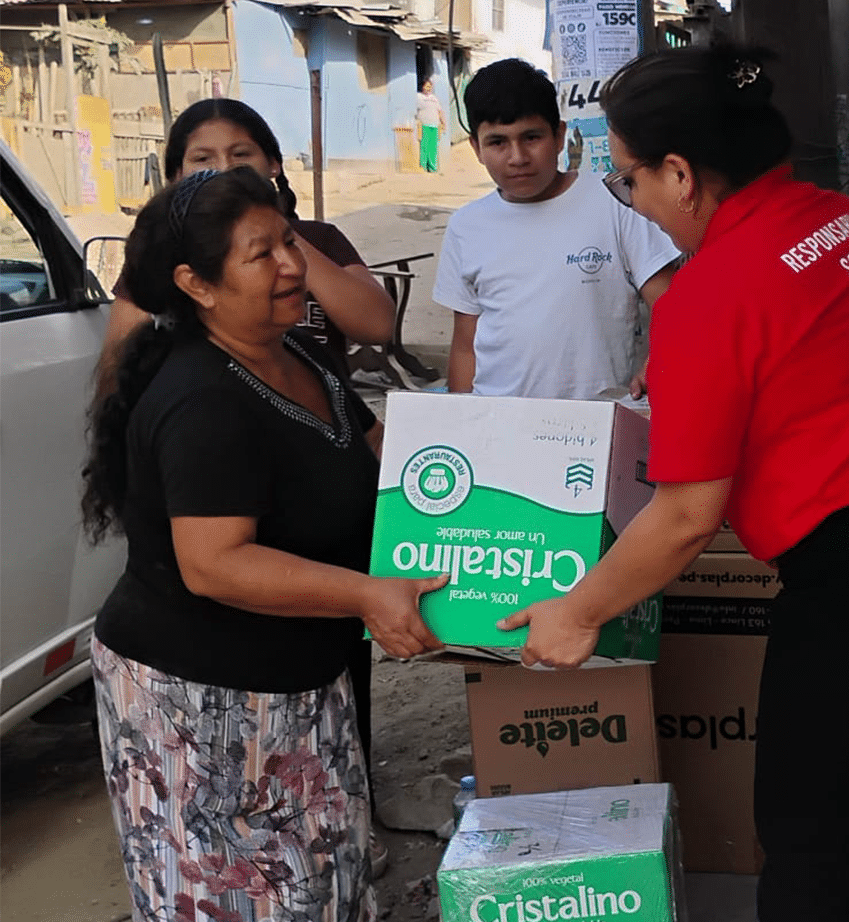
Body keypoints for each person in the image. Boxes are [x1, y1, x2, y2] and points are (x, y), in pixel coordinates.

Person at [497, 44, 849, 922]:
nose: (634, 203)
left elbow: (686, 516)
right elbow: (829, 370)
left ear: (681, 173)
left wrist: (578, 611)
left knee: (810, 842)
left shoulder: (708, 295)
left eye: (629, 181)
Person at [80, 166, 446, 922]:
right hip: (201, 703)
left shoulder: (293, 354)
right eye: (262, 254)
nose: (292, 264)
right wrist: (367, 593)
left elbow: (389, 465)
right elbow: (215, 564)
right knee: (240, 900)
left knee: (326, 881)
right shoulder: (202, 399)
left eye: (289, 239)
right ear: (197, 284)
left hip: (300, 685)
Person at [100, 98, 396, 387]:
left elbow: (377, 326)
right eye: (203, 159)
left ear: (273, 165)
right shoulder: (163, 254)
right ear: (177, 176)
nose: (224, 170)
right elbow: (118, 367)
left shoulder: (321, 240)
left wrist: (278, 237)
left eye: (241, 155)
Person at [432, 57, 679, 399]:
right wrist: (463, 420)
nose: (517, 157)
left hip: (595, 424)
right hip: (500, 424)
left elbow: (672, 302)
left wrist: (658, 361)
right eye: (497, 142)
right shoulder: (466, 226)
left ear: (560, 135)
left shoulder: (614, 202)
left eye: (531, 137)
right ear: (475, 147)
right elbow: (465, 345)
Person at [416, 78, 446, 173]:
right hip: (424, 125)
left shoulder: (434, 98)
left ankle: (432, 167)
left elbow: (440, 111)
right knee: (424, 146)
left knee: (433, 147)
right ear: (422, 87)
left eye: (430, 86)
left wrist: (443, 123)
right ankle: (423, 166)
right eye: (426, 86)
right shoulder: (418, 97)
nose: (428, 88)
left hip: (435, 125)